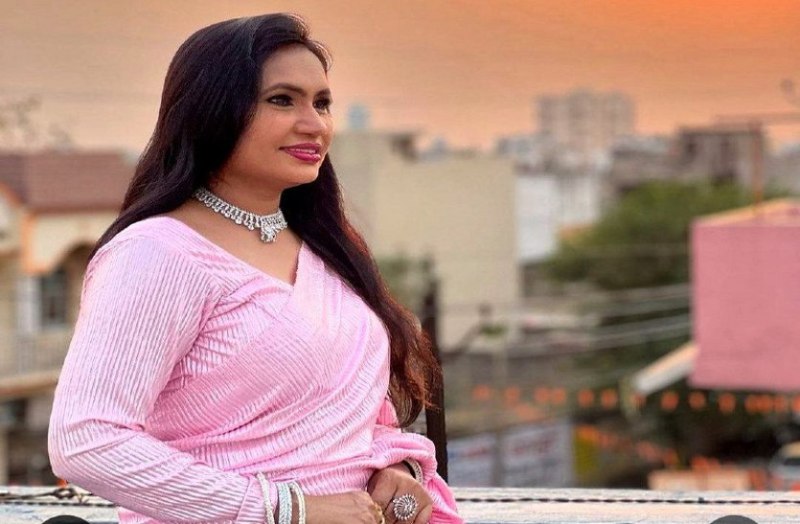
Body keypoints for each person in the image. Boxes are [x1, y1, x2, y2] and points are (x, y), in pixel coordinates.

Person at [47, 13, 463, 524]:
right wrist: (287, 508)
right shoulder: (158, 254)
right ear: (212, 109)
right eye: (282, 100)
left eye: (322, 103)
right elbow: (86, 440)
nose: (315, 124)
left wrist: (394, 466)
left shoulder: (325, 248)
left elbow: (344, 417)